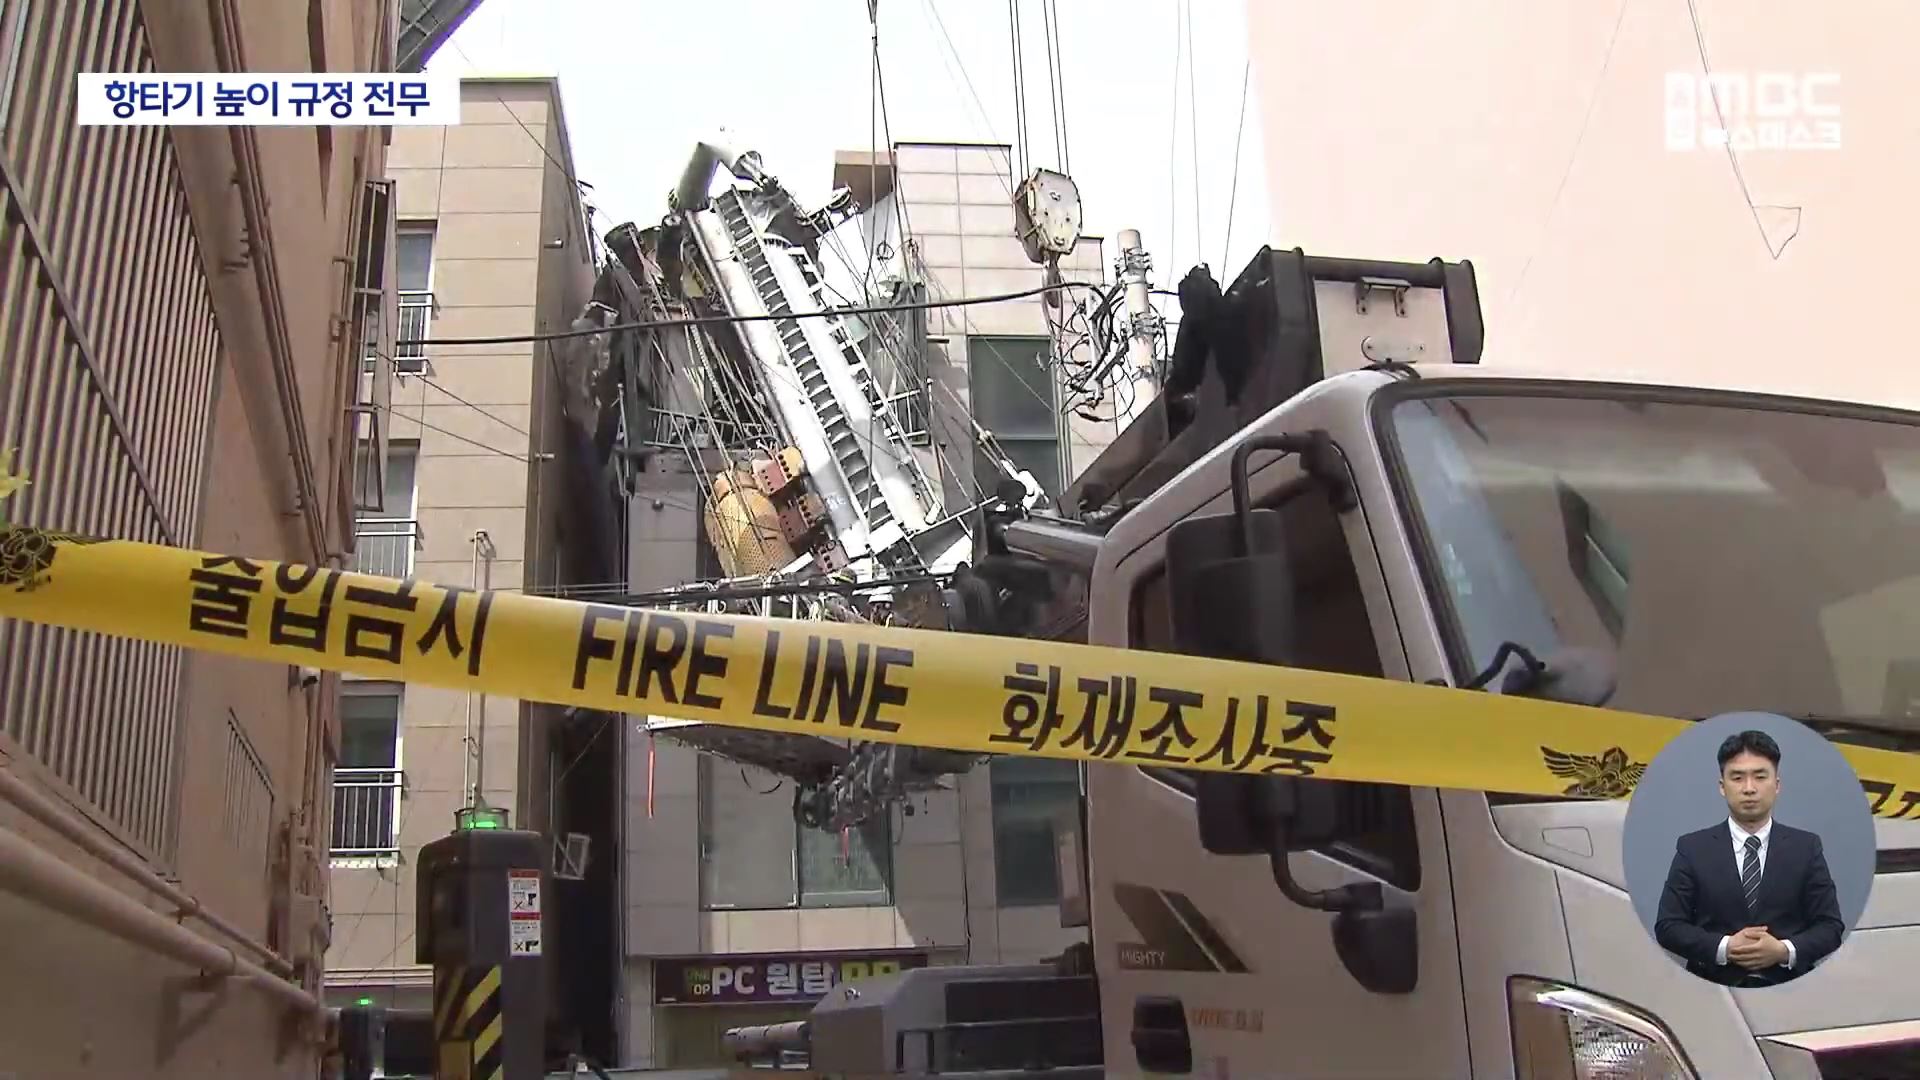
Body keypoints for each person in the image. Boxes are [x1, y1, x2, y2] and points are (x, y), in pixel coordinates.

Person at [1653, 729, 1846, 987]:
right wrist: (1726, 947)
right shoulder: (1693, 848)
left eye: (1760, 777)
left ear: (1777, 785)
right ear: (1722, 787)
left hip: (1790, 987)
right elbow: (1668, 926)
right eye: (1737, 778)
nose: (1749, 788)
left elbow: (1830, 927)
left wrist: (1783, 951)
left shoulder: (1806, 847)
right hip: (1713, 988)